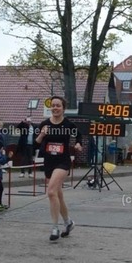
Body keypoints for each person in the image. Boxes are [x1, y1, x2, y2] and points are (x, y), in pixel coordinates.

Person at [35, 96, 82, 241]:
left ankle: (55, 228)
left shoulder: (68, 125)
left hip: (63, 162)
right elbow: (36, 143)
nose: (55, 108)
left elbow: (79, 136)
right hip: (49, 161)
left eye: (58, 106)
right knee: (57, 195)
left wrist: (78, 144)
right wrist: (42, 134)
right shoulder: (44, 124)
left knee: (50, 192)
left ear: (63, 108)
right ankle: (68, 222)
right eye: (53, 105)